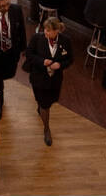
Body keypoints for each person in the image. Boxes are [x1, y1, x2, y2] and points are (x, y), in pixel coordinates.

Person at [25, 17, 73, 146]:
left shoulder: (66, 41)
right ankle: (47, 129)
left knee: (48, 102)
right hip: (38, 78)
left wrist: (60, 65)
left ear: (57, 31)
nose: (45, 32)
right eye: (45, 29)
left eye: (49, 30)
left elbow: (70, 59)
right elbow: (28, 54)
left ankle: (40, 107)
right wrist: (42, 61)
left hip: (55, 81)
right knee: (45, 105)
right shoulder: (37, 38)